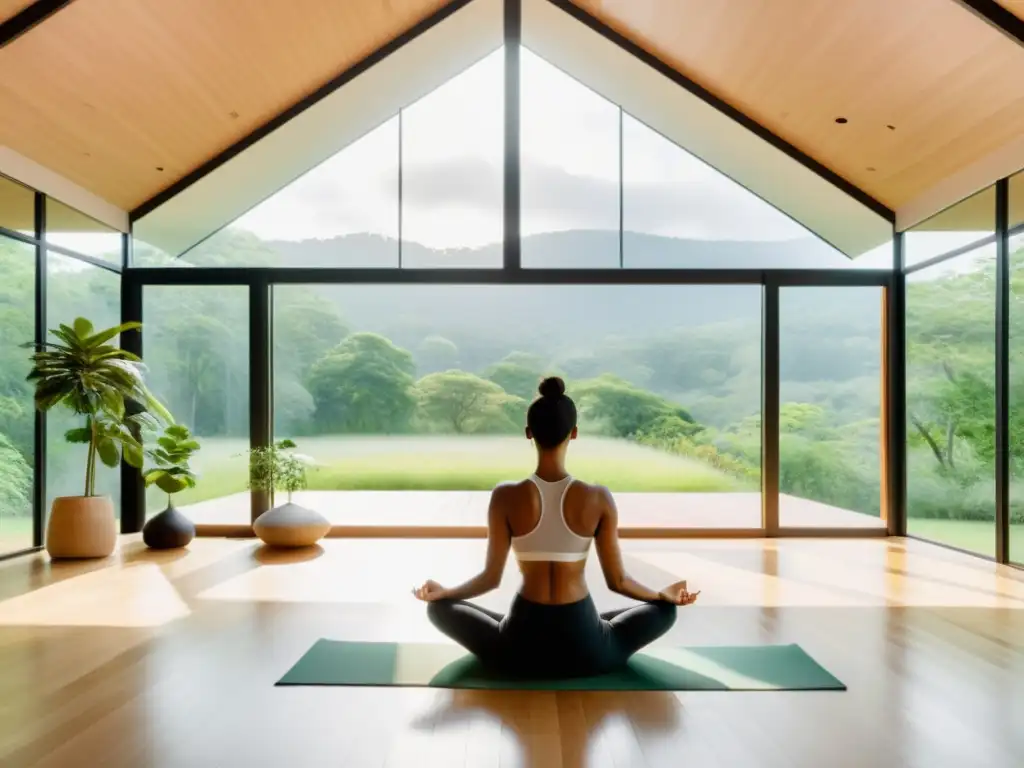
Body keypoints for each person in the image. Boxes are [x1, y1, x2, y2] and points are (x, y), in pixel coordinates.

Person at [413, 376, 699, 678]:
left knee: (439, 608)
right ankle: (606, 626)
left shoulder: (505, 496)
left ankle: (511, 630)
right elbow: (618, 581)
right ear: (574, 433)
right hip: (587, 648)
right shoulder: (598, 498)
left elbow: (490, 579)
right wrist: (660, 595)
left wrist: (446, 593)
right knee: (664, 611)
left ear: (529, 433)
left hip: (518, 646)